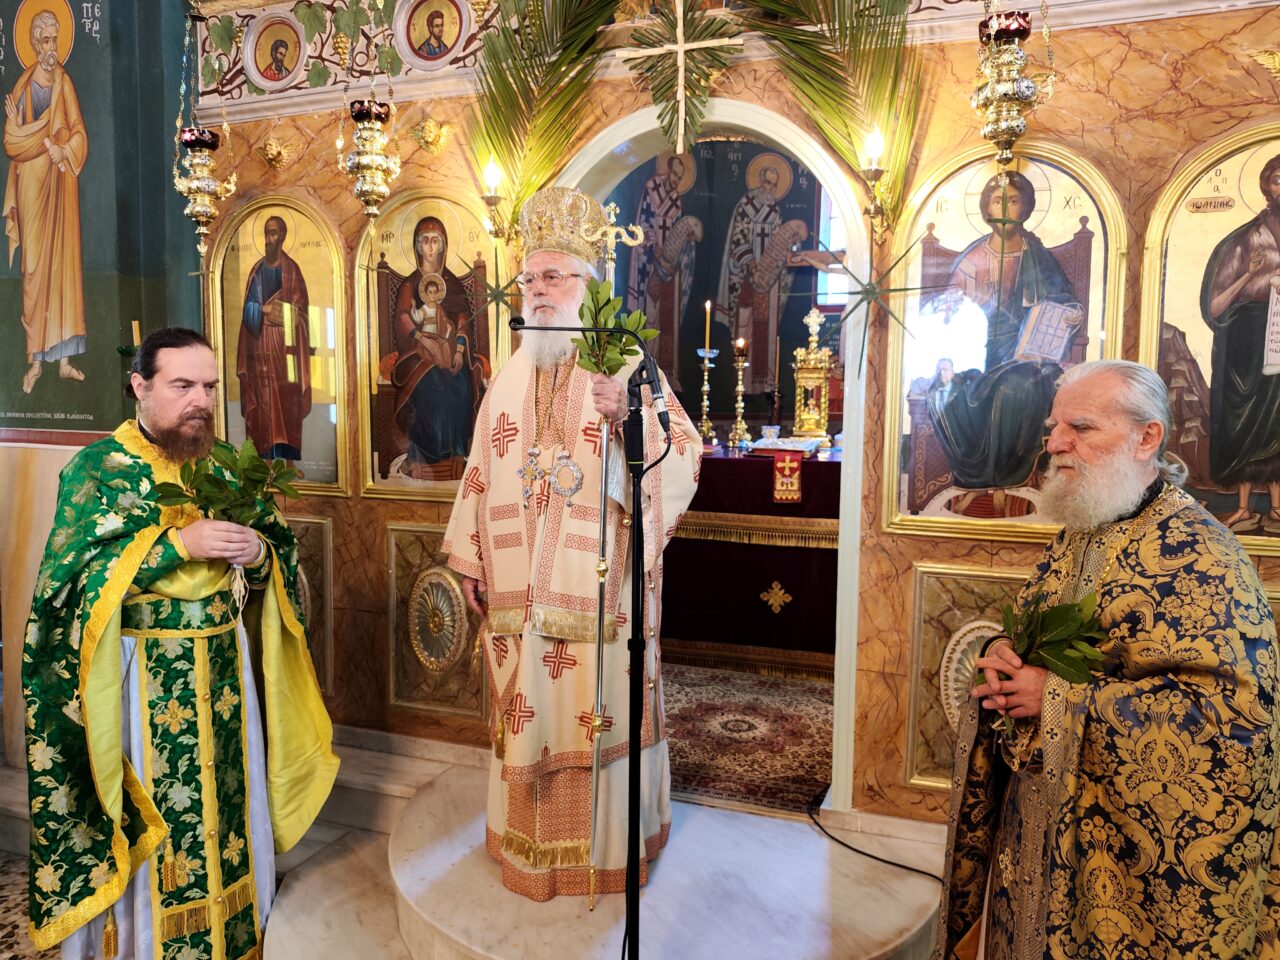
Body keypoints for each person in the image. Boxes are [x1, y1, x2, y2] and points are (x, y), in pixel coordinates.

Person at [933, 360, 1280, 959]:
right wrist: (1002, 656)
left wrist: (1057, 700)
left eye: (1082, 427)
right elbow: (1034, 636)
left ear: (1147, 437)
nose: (1055, 444)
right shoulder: (1083, 528)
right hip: (1037, 832)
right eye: (1054, 427)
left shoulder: (1206, 558)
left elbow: (1235, 721)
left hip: (1123, 874)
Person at [23, 328, 338, 959]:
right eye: (183, 386)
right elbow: (66, 586)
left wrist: (258, 553)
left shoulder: (222, 465)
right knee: (163, 823)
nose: (202, 401)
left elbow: (276, 551)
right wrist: (175, 546)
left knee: (228, 806)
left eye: (211, 387)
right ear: (139, 386)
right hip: (138, 683)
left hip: (225, 677)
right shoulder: (96, 471)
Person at [443, 186, 701, 901]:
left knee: (595, 713)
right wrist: (470, 560)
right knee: (529, 712)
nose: (536, 290)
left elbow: (683, 457)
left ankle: (607, 853)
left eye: (552, 276)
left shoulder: (625, 363)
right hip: (519, 597)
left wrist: (629, 423)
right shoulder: (508, 376)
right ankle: (530, 852)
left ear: (588, 285)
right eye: (528, 278)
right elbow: (478, 470)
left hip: (599, 598)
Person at [930, 171, 1083, 496]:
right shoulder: (971, 260)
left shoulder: (1038, 257)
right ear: (986, 207)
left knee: (1014, 389)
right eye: (997, 200)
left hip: (1027, 355)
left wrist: (1071, 314)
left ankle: (1005, 478)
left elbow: (1065, 302)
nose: (1004, 208)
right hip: (976, 353)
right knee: (943, 390)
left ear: (1025, 207)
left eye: (1012, 201)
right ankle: (976, 476)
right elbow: (947, 314)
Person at [4, 9, 88, 395]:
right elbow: (12, 142)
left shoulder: (64, 83)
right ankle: (36, 361)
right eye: (45, 40)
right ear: (35, 44)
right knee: (34, 270)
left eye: (56, 39)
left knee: (62, 267)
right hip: (30, 186)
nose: (52, 47)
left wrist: (63, 150)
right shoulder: (23, 86)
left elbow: (79, 133)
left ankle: (64, 360)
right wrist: (32, 136)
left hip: (60, 185)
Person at [1200, 153, 1280, 531]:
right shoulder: (1245, 240)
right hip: (1245, 343)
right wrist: (1248, 276)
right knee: (1244, 423)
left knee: (1277, 422)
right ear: (1266, 187)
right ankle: (1245, 507)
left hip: (1279, 334)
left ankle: (1277, 507)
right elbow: (1215, 306)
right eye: (1279, 180)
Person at [390, 216, 481, 477]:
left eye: (435, 241)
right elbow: (403, 318)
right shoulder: (410, 284)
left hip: (450, 353)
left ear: (442, 246)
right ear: (417, 246)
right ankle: (424, 456)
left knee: (460, 386)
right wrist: (422, 338)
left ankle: (456, 452)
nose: (430, 247)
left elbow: (464, 320)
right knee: (431, 386)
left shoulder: (452, 284)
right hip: (417, 355)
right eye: (425, 241)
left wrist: (460, 351)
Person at [239, 214, 312, 464]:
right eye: (266, 233)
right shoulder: (257, 271)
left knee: (288, 403)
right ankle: (265, 464)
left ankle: (288, 464)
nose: (268, 239)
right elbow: (248, 311)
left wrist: (282, 312)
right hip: (260, 345)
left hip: (286, 348)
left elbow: (302, 312)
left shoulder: (292, 270)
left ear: (282, 236)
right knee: (264, 404)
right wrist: (264, 309)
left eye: (273, 233)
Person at [629, 154, 700, 389]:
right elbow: (643, 224)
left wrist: (681, 246)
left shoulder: (676, 201)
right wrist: (655, 251)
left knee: (667, 320)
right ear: (667, 169)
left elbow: (677, 232)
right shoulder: (652, 189)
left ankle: (667, 375)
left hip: (669, 267)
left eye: (680, 178)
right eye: (674, 175)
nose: (676, 181)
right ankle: (647, 372)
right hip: (649, 262)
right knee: (650, 314)